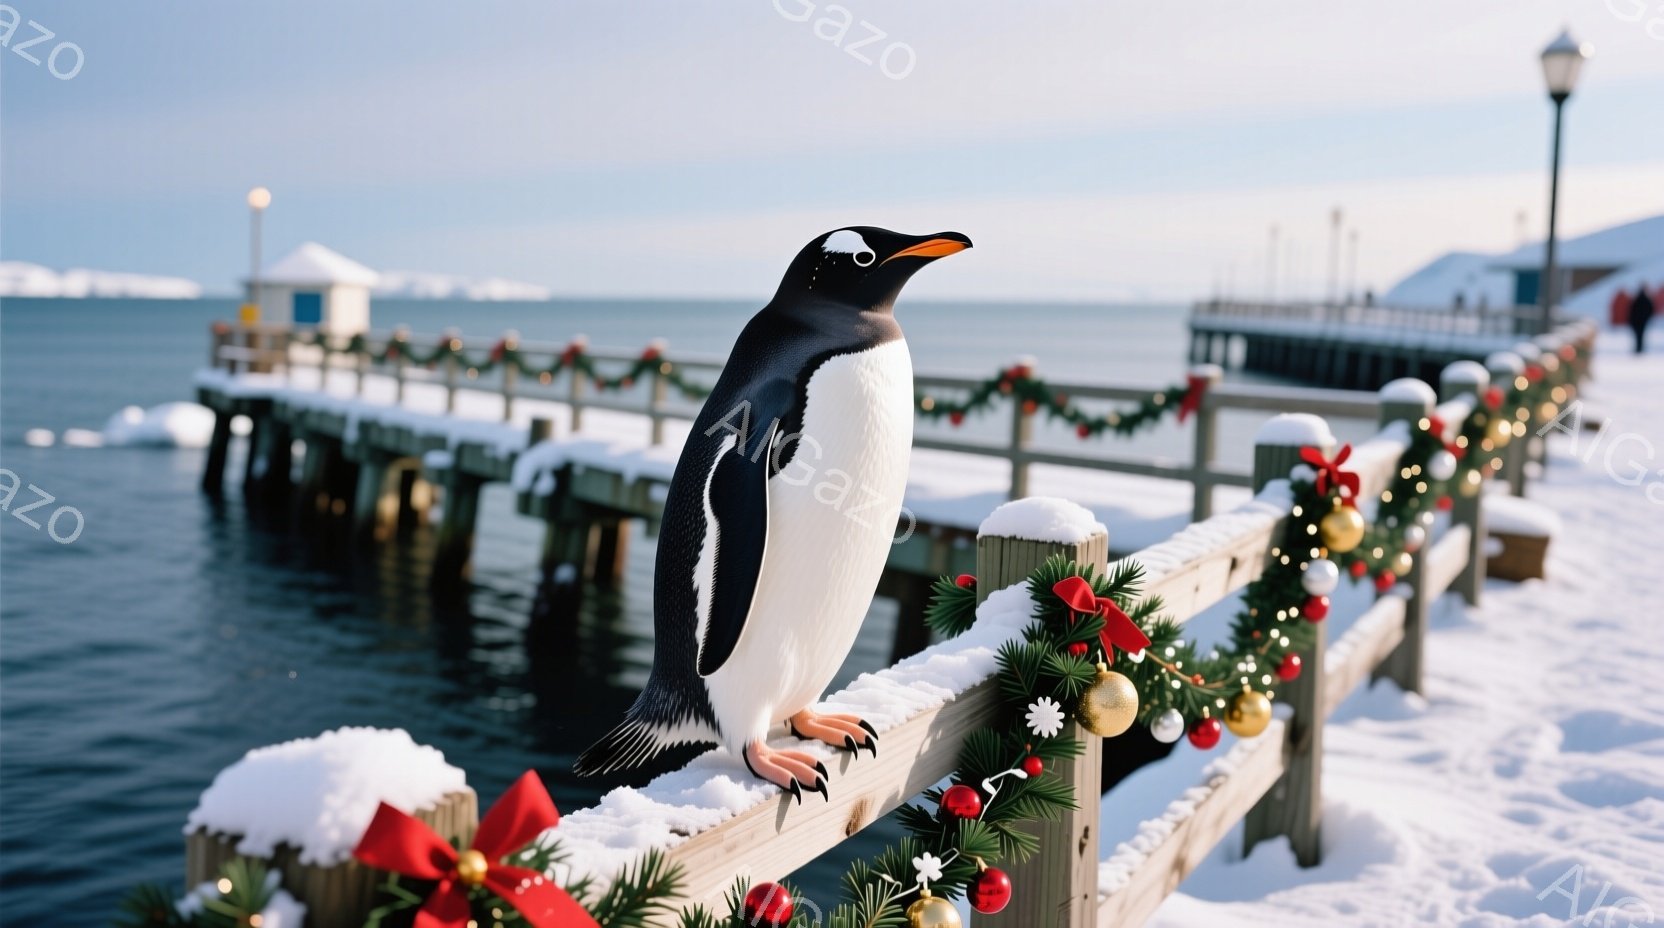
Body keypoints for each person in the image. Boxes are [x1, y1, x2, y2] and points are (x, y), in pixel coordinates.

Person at [1630, 283, 1655, 354]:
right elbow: (1651, 310)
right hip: (1642, 322)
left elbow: (1631, 310)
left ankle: (1638, 348)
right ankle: (1640, 348)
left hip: (1636, 322)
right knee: (1641, 335)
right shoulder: (1646, 299)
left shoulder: (1636, 299)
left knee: (1638, 336)